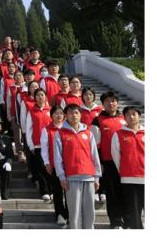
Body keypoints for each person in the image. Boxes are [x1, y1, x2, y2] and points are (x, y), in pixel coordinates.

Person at [54, 103, 102, 229]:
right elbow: (57, 158)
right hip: (71, 177)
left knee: (89, 211)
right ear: (66, 115)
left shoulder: (88, 133)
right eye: (70, 113)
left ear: (80, 115)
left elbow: (94, 156)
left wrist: (97, 176)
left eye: (76, 113)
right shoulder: (60, 133)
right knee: (74, 213)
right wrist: (61, 177)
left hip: (89, 177)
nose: (74, 115)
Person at [92, 91, 127, 228]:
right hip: (108, 163)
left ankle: (127, 220)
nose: (110, 103)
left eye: (113, 101)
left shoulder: (124, 118)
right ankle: (115, 221)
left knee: (125, 192)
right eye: (107, 101)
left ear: (117, 103)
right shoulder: (97, 120)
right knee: (112, 193)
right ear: (103, 104)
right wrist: (99, 163)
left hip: (125, 163)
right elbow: (95, 145)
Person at [111, 105, 144, 230]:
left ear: (139, 116)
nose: (131, 117)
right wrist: (124, 170)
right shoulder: (118, 134)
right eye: (128, 115)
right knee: (133, 210)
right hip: (128, 178)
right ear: (124, 118)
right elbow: (116, 155)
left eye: (134, 114)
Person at [41, 104, 69, 225]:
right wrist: (47, 163)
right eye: (56, 113)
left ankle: (69, 214)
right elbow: (44, 148)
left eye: (61, 113)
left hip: (69, 166)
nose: (59, 116)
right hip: (54, 165)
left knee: (69, 192)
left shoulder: (68, 128)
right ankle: (60, 214)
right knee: (57, 192)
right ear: (51, 115)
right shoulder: (47, 130)